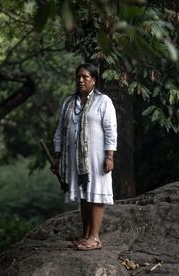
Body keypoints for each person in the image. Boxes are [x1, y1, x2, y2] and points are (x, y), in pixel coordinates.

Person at [52, 63, 117, 251]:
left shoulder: (103, 101)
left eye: (85, 77)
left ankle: (95, 238)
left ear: (94, 80)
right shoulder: (69, 103)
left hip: (97, 158)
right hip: (76, 160)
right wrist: (57, 155)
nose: (81, 80)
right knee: (84, 196)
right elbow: (60, 131)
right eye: (78, 77)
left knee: (96, 194)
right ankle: (86, 235)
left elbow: (110, 130)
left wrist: (109, 156)